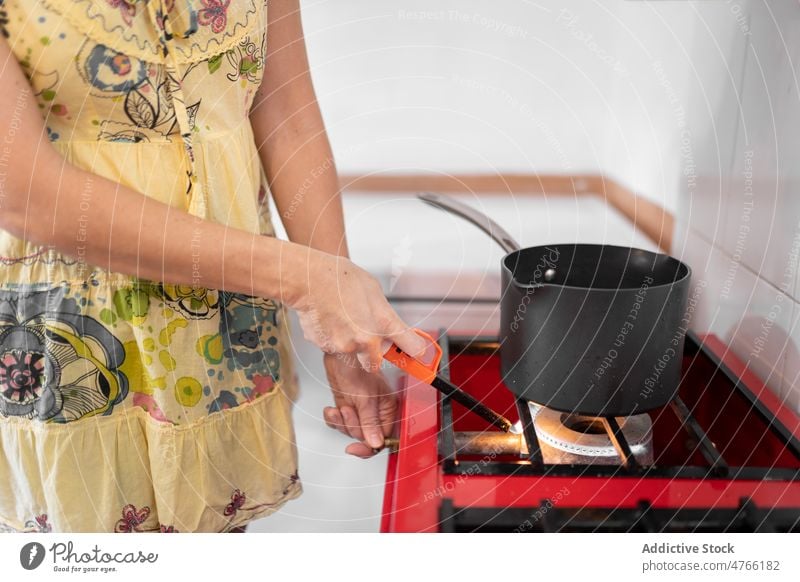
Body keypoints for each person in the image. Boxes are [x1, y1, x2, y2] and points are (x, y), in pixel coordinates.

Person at [0, 0, 426, 533]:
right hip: (71, 335)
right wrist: (307, 281)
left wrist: (339, 322)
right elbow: (27, 193)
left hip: (225, 327)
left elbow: (286, 111)